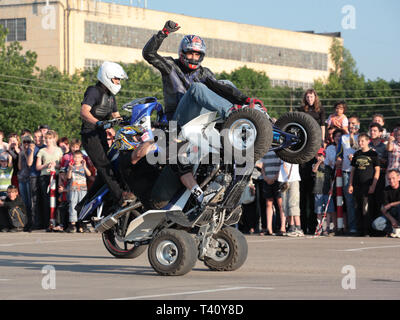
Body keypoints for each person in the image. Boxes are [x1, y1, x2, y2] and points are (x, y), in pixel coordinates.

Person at [142, 20, 264, 127]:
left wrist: (245, 99)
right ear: (182, 52)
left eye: (197, 54)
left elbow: (221, 89)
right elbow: (149, 54)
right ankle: (233, 114)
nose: (194, 58)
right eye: (190, 53)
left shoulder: (204, 73)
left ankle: (258, 116)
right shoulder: (170, 66)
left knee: (225, 83)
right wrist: (163, 33)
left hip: (200, 117)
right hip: (177, 120)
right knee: (197, 87)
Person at [79, 61, 134, 211]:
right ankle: (120, 196)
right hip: (90, 135)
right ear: (107, 77)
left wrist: (131, 121)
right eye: (116, 79)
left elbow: (116, 116)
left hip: (102, 134)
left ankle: (83, 205)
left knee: (110, 166)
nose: (118, 82)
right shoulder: (93, 91)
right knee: (104, 166)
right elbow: (84, 111)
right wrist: (98, 123)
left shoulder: (110, 96)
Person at [297, 88, 325, 234]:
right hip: (304, 150)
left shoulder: (320, 111)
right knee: (302, 197)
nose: (310, 98)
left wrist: (322, 142)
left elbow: (322, 126)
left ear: (315, 97)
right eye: (307, 96)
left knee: (313, 196)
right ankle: (302, 226)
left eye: (312, 96)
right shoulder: (302, 110)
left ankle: (313, 226)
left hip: (315, 147)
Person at [348, 133, 380, 237]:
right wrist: (350, 184)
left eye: (362, 141)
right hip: (357, 185)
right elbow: (352, 170)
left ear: (367, 141)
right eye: (359, 141)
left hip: (368, 185)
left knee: (366, 208)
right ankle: (359, 229)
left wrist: (373, 185)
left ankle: (367, 230)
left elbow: (377, 170)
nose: (360, 143)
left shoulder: (373, 154)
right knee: (357, 207)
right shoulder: (356, 154)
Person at [36, 130, 63, 231]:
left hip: (56, 176)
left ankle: (58, 222)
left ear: (54, 139)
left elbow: (62, 165)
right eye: (46, 138)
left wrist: (55, 165)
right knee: (46, 200)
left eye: (50, 138)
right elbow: (38, 167)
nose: (48, 140)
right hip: (45, 177)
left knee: (57, 200)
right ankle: (48, 223)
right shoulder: (41, 151)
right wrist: (46, 165)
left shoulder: (59, 150)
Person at [341, 116, 360, 235]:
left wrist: (352, 136)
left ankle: (361, 225)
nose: (351, 125)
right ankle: (352, 226)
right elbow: (340, 152)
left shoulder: (361, 137)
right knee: (349, 201)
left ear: (358, 125)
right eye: (349, 123)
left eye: (353, 123)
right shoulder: (343, 137)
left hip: (359, 172)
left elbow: (357, 148)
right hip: (346, 171)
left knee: (360, 200)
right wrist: (338, 159)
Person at [324, 128, 345, 235]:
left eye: (340, 136)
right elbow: (327, 162)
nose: (338, 138)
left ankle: (345, 226)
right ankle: (336, 226)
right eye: (336, 136)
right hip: (333, 174)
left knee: (344, 202)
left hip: (344, 174)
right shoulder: (330, 148)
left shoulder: (346, 147)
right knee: (335, 201)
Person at [65, 150, 92, 233]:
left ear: (82, 158)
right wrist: (69, 169)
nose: (77, 159)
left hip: (83, 189)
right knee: (72, 206)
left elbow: (89, 174)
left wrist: (84, 167)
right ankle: (73, 224)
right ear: (73, 158)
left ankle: (82, 224)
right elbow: (68, 177)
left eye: (78, 157)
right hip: (74, 189)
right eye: (75, 157)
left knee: (82, 206)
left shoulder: (83, 166)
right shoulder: (71, 166)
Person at [312, 148, 335, 236]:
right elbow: (314, 170)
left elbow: (331, 180)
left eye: (322, 156)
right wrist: (318, 162)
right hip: (318, 190)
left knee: (328, 211)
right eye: (318, 155)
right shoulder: (315, 165)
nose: (320, 157)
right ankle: (319, 227)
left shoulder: (328, 168)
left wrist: (331, 189)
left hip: (326, 191)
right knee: (319, 211)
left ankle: (327, 227)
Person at [368, 122, 388, 224]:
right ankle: (369, 227)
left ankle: (379, 227)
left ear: (380, 133)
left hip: (380, 177)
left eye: (375, 131)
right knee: (369, 203)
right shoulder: (367, 145)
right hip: (368, 178)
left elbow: (386, 162)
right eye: (371, 130)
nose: (372, 132)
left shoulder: (384, 147)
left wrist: (377, 159)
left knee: (379, 201)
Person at [261, 150, 284, 236]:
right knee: (268, 203)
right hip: (267, 180)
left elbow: (281, 166)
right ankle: (269, 228)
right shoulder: (265, 150)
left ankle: (282, 227)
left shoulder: (279, 151)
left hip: (277, 180)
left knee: (280, 204)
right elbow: (262, 166)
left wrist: (275, 178)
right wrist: (265, 177)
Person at [372, 169, 400, 238]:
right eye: (389, 179)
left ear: (399, 178)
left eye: (393, 178)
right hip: (391, 214)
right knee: (376, 224)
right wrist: (392, 220)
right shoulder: (385, 190)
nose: (391, 181)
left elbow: (389, 205)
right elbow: (383, 209)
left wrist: (391, 204)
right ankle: (394, 230)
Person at [26, 129, 45, 229]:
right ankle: (35, 223)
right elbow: (29, 163)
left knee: (43, 199)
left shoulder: (45, 147)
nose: (38, 139)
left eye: (39, 137)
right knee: (35, 200)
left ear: (43, 137)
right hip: (34, 175)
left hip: (43, 176)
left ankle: (44, 222)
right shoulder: (32, 147)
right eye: (36, 137)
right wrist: (32, 151)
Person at [279, 161, 302, 237]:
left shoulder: (294, 152)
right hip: (283, 179)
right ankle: (291, 227)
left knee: (294, 204)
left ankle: (298, 228)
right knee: (285, 205)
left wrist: (287, 174)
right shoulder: (282, 152)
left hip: (293, 179)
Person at [17, 135, 34, 231]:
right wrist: (21, 154)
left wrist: (26, 152)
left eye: (28, 142)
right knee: (25, 202)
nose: (26, 144)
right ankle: (26, 223)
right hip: (22, 178)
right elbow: (19, 167)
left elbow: (29, 163)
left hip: (29, 178)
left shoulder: (30, 151)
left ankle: (31, 222)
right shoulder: (21, 153)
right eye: (24, 142)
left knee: (30, 202)